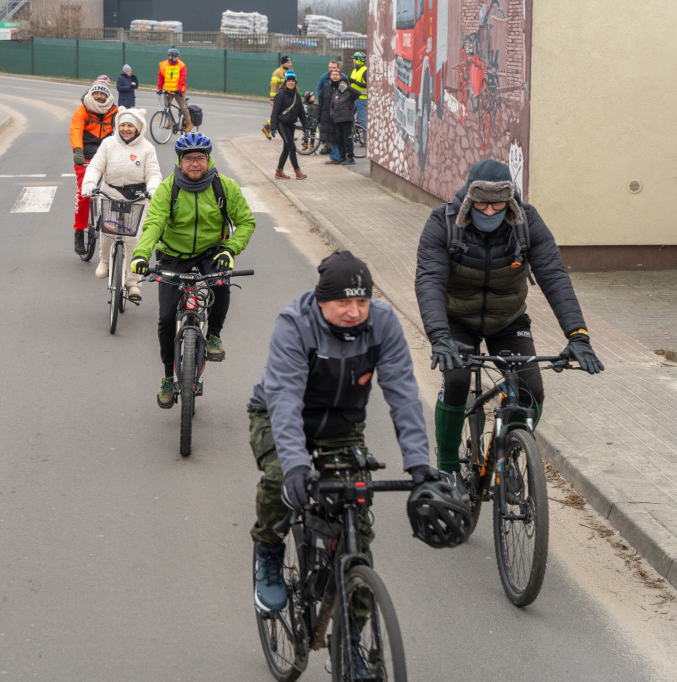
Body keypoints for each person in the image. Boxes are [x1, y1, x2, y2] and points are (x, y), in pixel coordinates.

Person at [249, 251, 442, 613]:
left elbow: (402, 392)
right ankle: (269, 550)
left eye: (362, 301)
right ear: (322, 301)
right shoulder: (295, 324)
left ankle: (354, 647)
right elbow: (285, 398)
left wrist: (417, 463)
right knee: (279, 480)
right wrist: (295, 466)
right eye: (343, 302)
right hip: (277, 415)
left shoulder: (383, 323)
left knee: (357, 530)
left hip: (341, 425)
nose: (354, 311)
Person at [414, 159, 604, 481]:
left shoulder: (526, 222)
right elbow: (429, 280)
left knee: (532, 391)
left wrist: (578, 334)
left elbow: (554, 276)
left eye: (498, 202)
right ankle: (447, 467)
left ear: (510, 199)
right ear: (469, 197)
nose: (490, 211)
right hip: (456, 320)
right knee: (457, 381)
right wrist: (438, 335)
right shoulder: (443, 221)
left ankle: (510, 451)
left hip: (507, 320)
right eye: (482, 202)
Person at [131, 132, 256, 407]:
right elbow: (153, 224)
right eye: (189, 158)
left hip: (213, 250)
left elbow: (246, 221)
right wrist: (141, 255)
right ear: (180, 161)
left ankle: (213, 336)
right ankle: (167, 376)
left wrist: (230, 249)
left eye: (200, 157)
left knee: (221, 284)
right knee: (165, 318)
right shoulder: (168, 188)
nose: (195, 163)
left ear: (208, 159)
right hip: (174, 255)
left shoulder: (225, 187)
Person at [81, 107, 162, 302]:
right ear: (118, 126)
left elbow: (153, 173)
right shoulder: (108, 144)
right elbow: (96, 165)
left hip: (137, 197)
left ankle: (133, 282)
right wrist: (90, 183)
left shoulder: (147, 148)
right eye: (123, 125)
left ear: (138, 128)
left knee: (135, 239)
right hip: (111, 193)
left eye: (130, 126)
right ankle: (105, 261)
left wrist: (153, 189)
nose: (126, 129)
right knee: (108, 231)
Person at [70, 80, 118, 255]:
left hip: (107, 155)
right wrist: (77, 151)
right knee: (84, 194)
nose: (99, 96)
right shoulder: (82, 109)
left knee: (117, 191)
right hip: (86, 156)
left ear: (107, 95)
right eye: (96, 93)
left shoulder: (115, 111)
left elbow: (123, 131)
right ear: (91, 94)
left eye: (102, 93)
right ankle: (78, 232)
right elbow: (75, 129)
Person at [269, 71, 309, 180]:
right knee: (291, 147)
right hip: (282, 124)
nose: (291, 83)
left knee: (286, 149)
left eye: (293, 81)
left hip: (291, 124)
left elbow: (301, 113)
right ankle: (297, 171)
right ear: (286, 82)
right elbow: (275, 112)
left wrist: (306, 128)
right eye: (289, 81)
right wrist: (273, 127)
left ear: (295, 83)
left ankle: (279, 172)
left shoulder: (296, 96)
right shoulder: (280, 94)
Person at [326, 68, 360, 166]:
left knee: (347, 139)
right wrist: (333, 115)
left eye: (344, 83)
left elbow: (357, 93)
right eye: (341, 84)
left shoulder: (350, 94)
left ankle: (350, 157)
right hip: (338, 120)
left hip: (347, 120)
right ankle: (342, 157)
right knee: (340, 139)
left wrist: (347, 87)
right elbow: (331, 106)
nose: (342, 85)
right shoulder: (336, 94)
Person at [157, 47, 192, 133]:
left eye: (177, 56)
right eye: (175, 57)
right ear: (170, 57)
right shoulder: (163, 65)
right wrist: (159, 88)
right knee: (166, 107)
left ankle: (189, 123)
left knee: (183, 107)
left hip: (178, 91)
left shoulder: (181, 65)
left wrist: (179, 89)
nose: (177, 58)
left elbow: (182, 78)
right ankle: (169, 122)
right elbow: (161, 78)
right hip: (168, 90)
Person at [317, 60, 344, 161]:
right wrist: (319, 114)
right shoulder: (326, 86)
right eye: (333, 74)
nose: (334, 76)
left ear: (340, 76)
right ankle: (335, 156)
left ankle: (338, 157)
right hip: (327, 115)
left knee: (337, 137)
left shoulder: (343, 87)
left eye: (336, 74)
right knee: (331, 137)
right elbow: (321, 99)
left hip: (339, 116)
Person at [263, 55, 292, 140]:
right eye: (288, 62)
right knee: (279, 115)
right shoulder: (277, 72)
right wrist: (272, 99)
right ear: (283, 63)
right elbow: (273, 86)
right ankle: (268, 127)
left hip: (287, 96)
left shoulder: (290, 70)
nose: (290, 64)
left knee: (286, 114)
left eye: (290, 62)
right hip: (279, 97)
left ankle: (267, 126)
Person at [349, 51, 368, 141]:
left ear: (358, 61)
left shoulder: (365, 71)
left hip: (361, 99)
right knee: (349, 117)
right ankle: (353, 135)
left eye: (354, 60)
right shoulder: (355, 71)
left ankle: (366, 140)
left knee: (362, 120)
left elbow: (367, 85)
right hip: (353, 98)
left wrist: (354, 82)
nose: (353, 62)